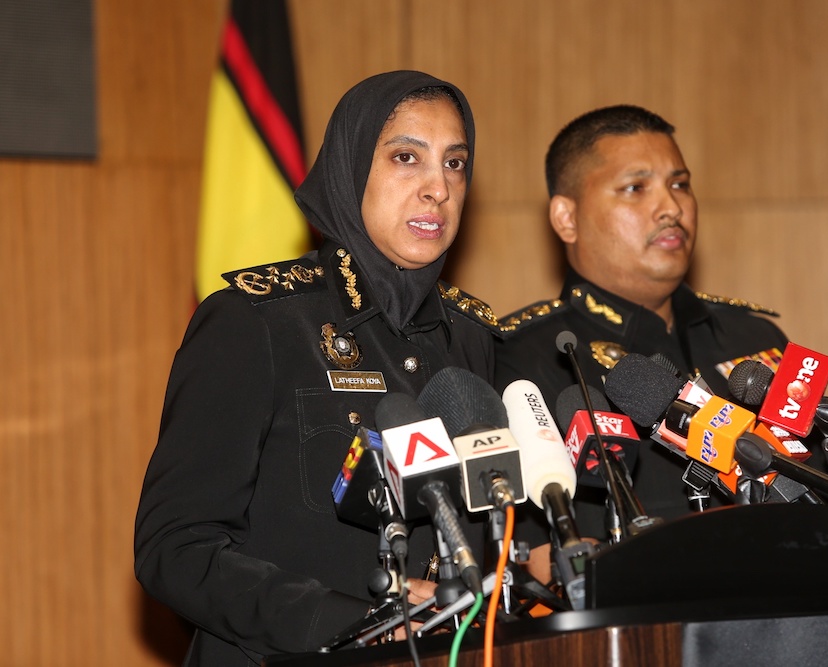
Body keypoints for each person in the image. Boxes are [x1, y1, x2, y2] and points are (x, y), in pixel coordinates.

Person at [135, 71, 505, 666]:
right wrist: (350, 622)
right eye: (407, 158)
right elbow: (175, 548)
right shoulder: (257, 323)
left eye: (456, 164)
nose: (438, 187)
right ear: (350, 167)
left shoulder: (475, 338)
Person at [495, 105, 793, 542]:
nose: (671, 207)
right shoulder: (526, 357)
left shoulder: (755, 338)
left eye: (680, 185)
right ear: (567, 218)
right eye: (636, 188)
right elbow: (536, 553)